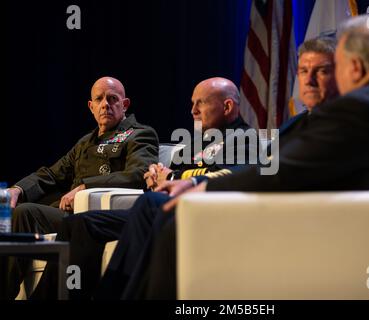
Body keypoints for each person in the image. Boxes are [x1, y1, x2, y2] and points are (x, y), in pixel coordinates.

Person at [126, 14, 369, 299]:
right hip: (364, 223)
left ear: (355, 68)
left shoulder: (358, 109)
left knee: (174, 215)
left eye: (335, 66)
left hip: (325, 228)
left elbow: (279, 171)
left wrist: (203, 189)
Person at [90, 38, 341, 299]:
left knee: (158, 211)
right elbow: (259, 170)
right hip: (228, 203)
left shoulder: (333, 126)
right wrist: (161, 176)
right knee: (94, 222)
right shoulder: (294, 124)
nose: (193, 111)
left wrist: (185, 181)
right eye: (303, 71)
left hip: (263, 212)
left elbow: (261, 172)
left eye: (321, 71)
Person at [31, 77, 259, 299]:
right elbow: (164, 173)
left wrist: (173, 177)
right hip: (159, 207)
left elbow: (225, 177)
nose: (193, 111)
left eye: (201, 103)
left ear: (227, 106)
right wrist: (154, 177)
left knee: (141, 208)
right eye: (192, 103)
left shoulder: (245, 139)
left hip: (191, 212)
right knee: (79, 223)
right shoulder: (196, 143)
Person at [0, 76, 159, 300]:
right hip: (68, 214)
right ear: (91, 106)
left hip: (98, 216)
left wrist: (86, 187)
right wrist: (17, 189)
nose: (105, 104)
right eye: (99, 99)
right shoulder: (85, 142)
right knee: (19, 211)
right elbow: (51, 174)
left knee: (26, 212)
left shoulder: (139, 134)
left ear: (124, 105)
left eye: (113, 99)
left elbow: (136, 175)